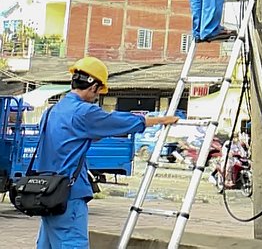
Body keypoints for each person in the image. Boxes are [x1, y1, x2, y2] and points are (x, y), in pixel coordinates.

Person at [35, 56, 178, 249]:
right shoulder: (84, 112)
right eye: (98, 92)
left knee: (48, 245)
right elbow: (119, 121)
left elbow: (65, 140)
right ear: (93, 86)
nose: (97, 97)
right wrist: (160, 120)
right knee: (72, 243)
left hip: (46, 193)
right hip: (68, 195)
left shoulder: (52, 111)